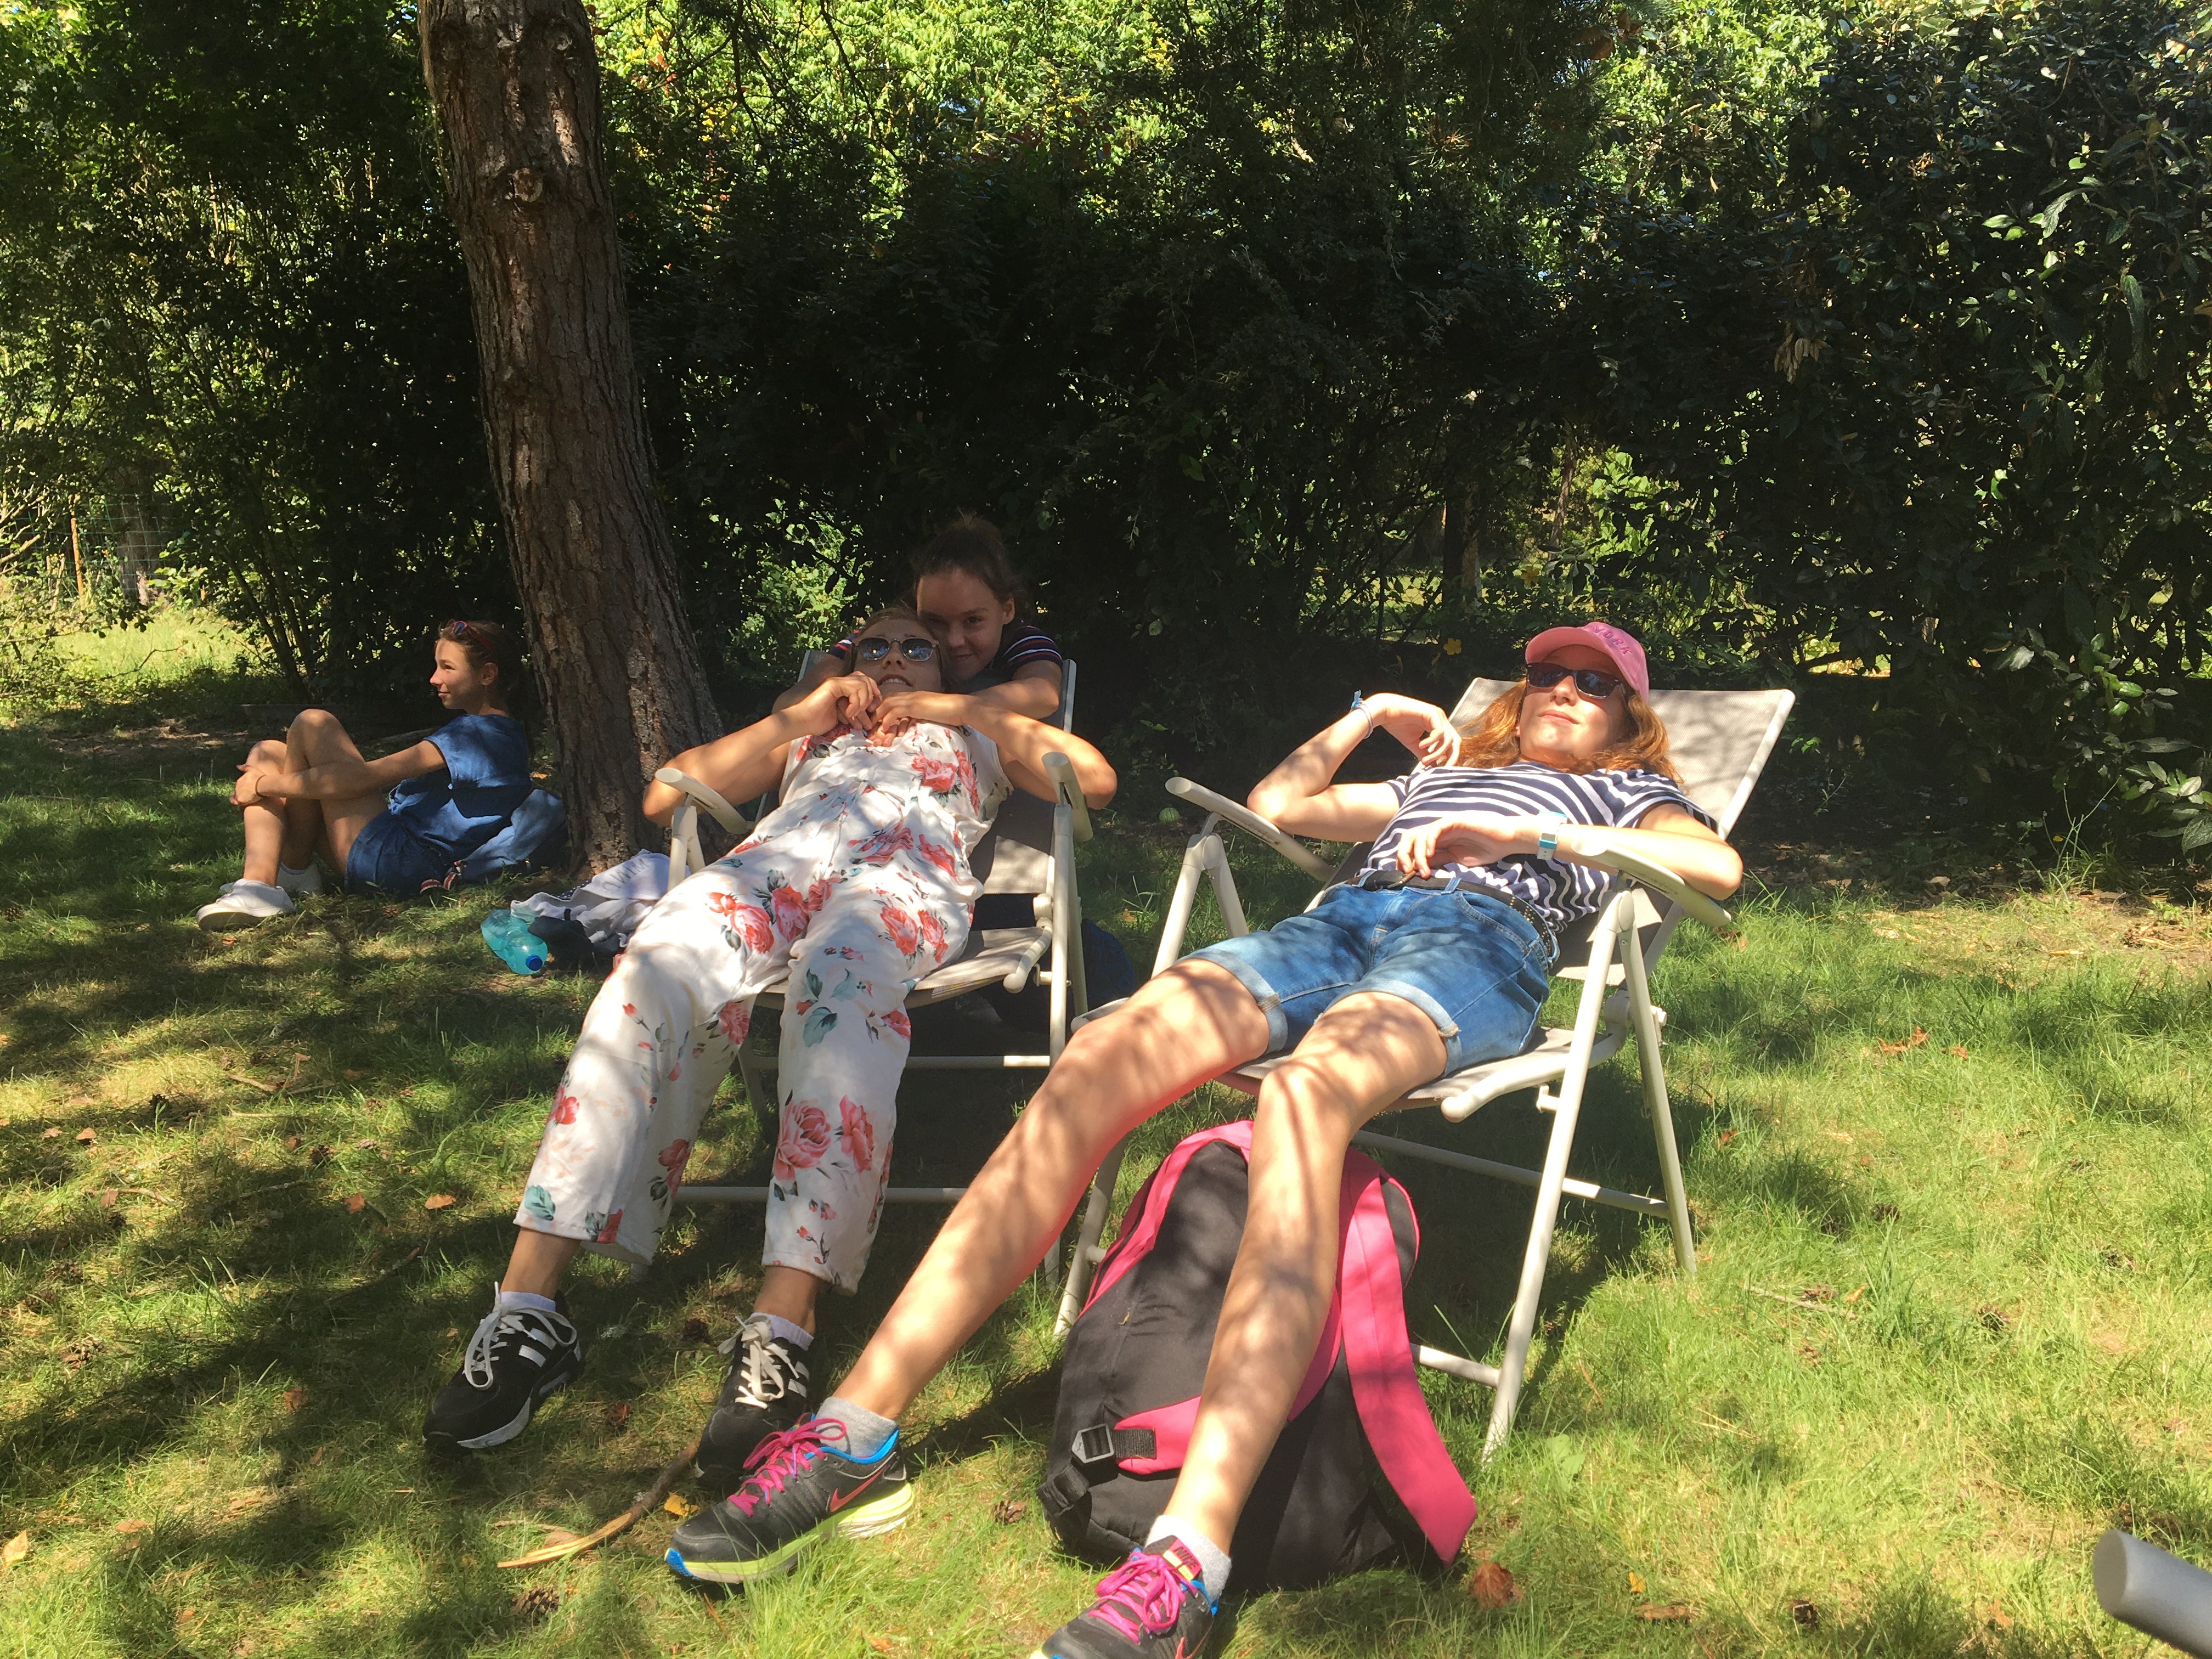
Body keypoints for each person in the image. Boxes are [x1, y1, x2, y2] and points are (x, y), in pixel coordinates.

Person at [659, 621, 1743, 1659]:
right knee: (1097, 1056)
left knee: (1307, 1097)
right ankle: (854, 1434)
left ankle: (1189, 1557)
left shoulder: (1630, 793)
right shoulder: (1443, 775)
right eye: (1550, 673)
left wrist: (1529, 836)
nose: (1564, 692)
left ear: (1627, 716)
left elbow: (1718, 870)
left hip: (1475, 946)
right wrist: (1371, 712)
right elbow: (1280, 804)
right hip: (1332, 928)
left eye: (1594, 683)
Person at [421, 604, 1118, 1496]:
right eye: (874, 645)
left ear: (944, 665)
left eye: (915, 647)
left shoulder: (975, 726)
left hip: (897, 885)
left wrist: (950, 706)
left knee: (843, 983)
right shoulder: (814, 726)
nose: (893, 658)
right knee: (651, 965)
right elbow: (667, 794)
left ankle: (783, 1327)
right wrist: (803, 713)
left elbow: (1093, 780)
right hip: (767, 872)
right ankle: (529, 1311)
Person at [193, 620, 534, 930]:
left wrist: (261, 784)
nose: (434, 679)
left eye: (447, 667)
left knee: (314, 722)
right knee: (269, 750)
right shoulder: (495, 732)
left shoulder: (481, 735)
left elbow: (365, 779)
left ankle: (268, 883)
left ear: (487, 675)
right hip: (390, 851)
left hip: (399, 862)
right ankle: (283, 877)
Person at [777, 515, 1063, 723]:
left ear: (1007, 610)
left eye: (973, 620)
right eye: (935, 621)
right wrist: (835, 703)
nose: (954, 640)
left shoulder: (1021, 639)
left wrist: (939, 707)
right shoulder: (883, 640)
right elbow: (788, 704)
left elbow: (1044, 693)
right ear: (916, 608)